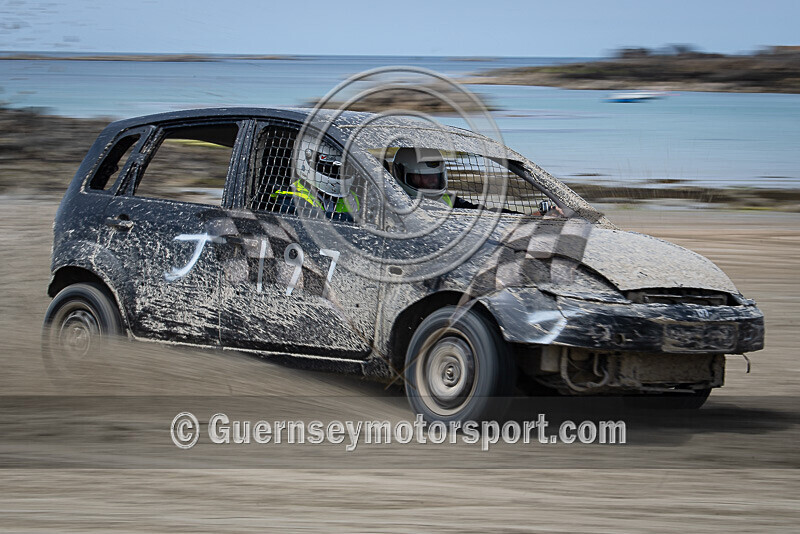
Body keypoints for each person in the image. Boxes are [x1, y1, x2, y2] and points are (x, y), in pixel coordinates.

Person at [270, 134, 359, 219]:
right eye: (328, 167)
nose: (338, 173)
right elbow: (321, 221)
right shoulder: (291, 200)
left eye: (342, 168)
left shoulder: (349, 197)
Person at [390, 147, 455, 207]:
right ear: (399, 173)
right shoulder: (392, 204)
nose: (433, 180)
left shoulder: (448, 199)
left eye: (437, 176)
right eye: (426, 176)